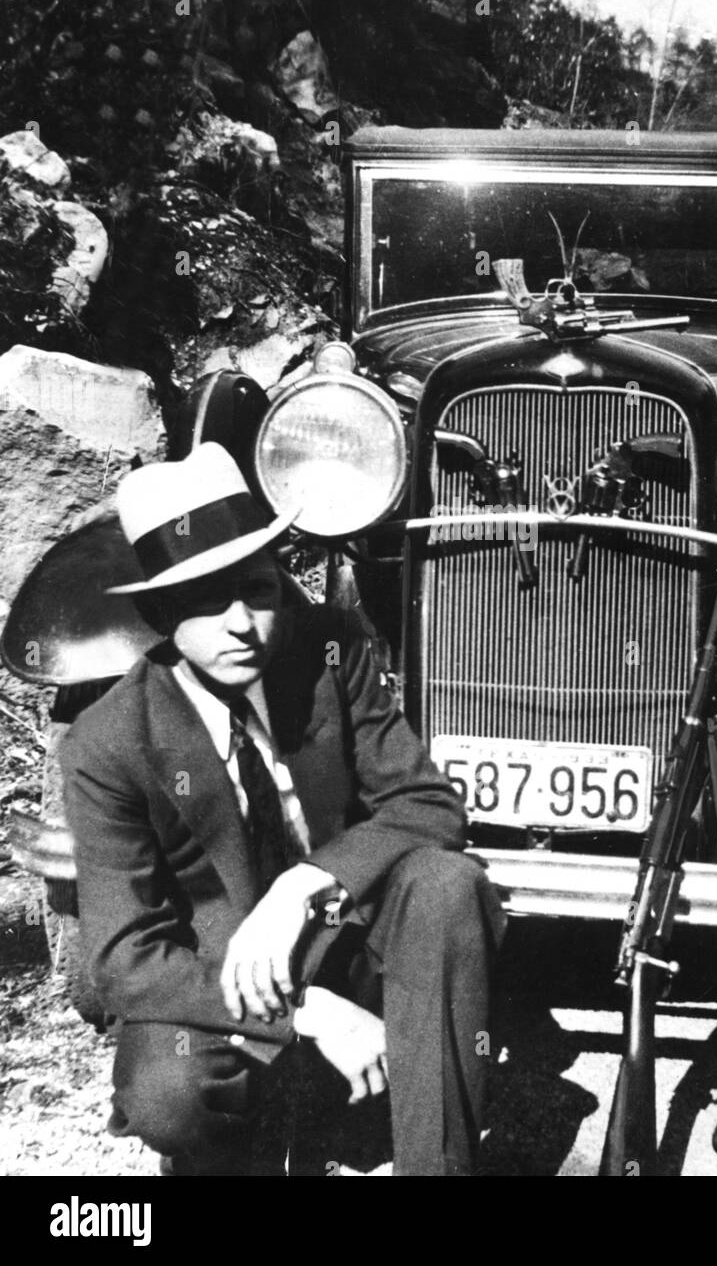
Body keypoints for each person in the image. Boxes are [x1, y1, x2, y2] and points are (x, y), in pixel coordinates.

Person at [61, 442, 505, 1176]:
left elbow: (428, 804)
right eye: (208, 599)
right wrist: (306, 1013)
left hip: (346, 938)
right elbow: (122, 962)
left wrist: (305, 886)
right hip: (227, 979)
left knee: (445, 882)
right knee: (168, 1094)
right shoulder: (109, 742)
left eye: (258, 590)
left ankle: (437, 1164)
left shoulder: (332, 650)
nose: (241, 623)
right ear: (162, 614)